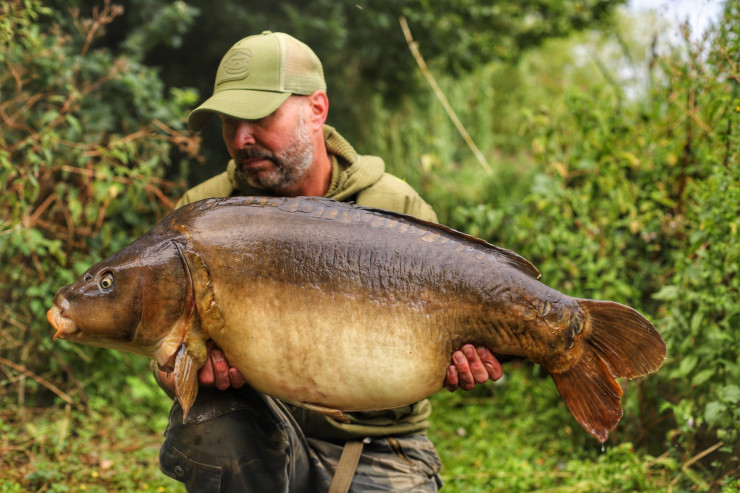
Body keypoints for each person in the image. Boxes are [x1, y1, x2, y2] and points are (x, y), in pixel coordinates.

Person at [155, 31, 503, 493]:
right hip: (255, 435)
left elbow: (459, 330)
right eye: (228, 120)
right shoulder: (202, 216)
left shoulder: (394, 205)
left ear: (316, 109)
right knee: (207, 424)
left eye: (259, 116)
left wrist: (467, 357)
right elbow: (167, 349)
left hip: (380, 446)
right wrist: (175, 371)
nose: (241, 138)